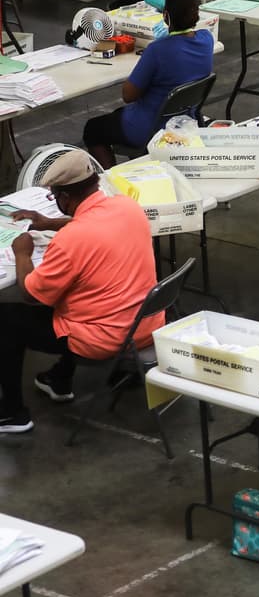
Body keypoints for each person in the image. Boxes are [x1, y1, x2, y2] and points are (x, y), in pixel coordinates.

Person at [0, 150, 161, 434]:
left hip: (105, 338)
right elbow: (91, 222)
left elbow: (30, 292)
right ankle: (59, 379)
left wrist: (23, 252)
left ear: (63, 197)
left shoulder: (72, 240)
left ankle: (13, 413)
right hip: (145, 323)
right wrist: (48, 223)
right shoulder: (127, 207)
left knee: (7, 318)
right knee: (76, 293)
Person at [82, 0, 214, 169]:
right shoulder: (207, 40)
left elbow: (128, 95)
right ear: (196, 16)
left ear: (166, 16)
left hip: (150, 127)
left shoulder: (157, 50)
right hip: (186, 120)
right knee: (115, 117)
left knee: (93, 129)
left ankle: (111, 183)